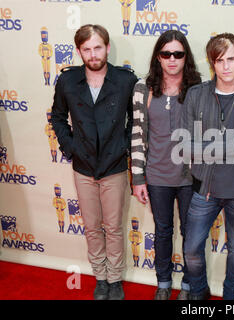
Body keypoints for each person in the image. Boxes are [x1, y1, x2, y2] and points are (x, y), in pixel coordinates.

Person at [51, 24, 138, 300]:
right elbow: (57, 118)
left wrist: (123, 146)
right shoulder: (67, 81)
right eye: (86, 49)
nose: (93, 54)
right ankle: (100, 277)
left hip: (114, 167)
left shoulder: (126, 80)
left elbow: (135, 121)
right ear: (80, 51)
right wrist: (70, 147)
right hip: (83, 166)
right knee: (91, 226)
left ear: (107, 47)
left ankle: (115, 279)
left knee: (113, 227)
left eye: (97, 47)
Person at [180, 33, 234, 300]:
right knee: (192, 248)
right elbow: (184, 146)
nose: (226, 66)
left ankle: (230, 298)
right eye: (219, 60)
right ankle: (198, 292)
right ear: (211, 63)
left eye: (232, 59)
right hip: (204, 188)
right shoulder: (196, 95)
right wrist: (226, 148)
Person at [131, 30, 201, 300]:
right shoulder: (143, 88)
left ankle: (187, 285)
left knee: (191, 234)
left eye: (178, 54)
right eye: (166, 54)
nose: (172, 59)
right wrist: (138, 178)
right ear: (158, 57)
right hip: (157, 175)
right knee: (162, 232)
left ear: (186, 57)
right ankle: (162, 283)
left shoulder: (198, 89)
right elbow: (137, 134)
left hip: (190, 177)